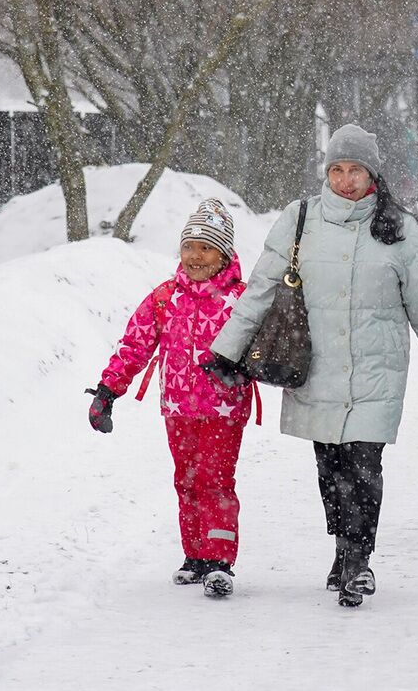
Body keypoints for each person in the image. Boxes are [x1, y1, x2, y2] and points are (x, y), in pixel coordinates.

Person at [205, 123, 418, 608]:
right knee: (331, 469)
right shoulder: (299, 219)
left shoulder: (401, 229)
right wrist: (227, 350)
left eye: (355, 170)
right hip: (316, 367)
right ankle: (342, 548)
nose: (346, 180)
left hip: (377, 371)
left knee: (365, 465)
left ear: (372, 174)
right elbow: (261, 288)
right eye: (337, 170)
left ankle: (358, 561)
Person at [86, 199, 254, 598]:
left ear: (225, 252)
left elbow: (263, 348)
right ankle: (194, 556)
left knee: (215, 481)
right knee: (187, 481)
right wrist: (108, 390)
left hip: (223, 409)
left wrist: (242, 368)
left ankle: (219, 561)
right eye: (188, 247)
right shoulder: (165, 298)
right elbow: (134, 345)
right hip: (177, 408)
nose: (195, 256)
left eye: (206, 248)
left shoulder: (241, 301)